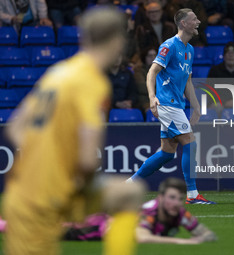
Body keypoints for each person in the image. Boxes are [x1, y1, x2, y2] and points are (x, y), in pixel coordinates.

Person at [2, 6, 144, 255]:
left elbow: (15, 128)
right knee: (130, 192)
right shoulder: (91, 83)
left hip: (31, 189)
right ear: (118, 41)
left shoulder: (59, 72)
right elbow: (88, 161)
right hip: (41, 201)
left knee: (129, 191)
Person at [128, 8, 215, 205]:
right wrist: (152, 97)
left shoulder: (190, 50)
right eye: (194, 19)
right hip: (167, 103)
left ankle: (129, 184)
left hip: (177, 105)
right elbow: (152, 72)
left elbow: (188, 82)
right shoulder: (169, 46)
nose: (199, 22)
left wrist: (197, 107)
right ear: (183, 23)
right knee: (190, 142)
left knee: (167, 153)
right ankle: (192, 195)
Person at [0, 178, 217, 244]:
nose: (175, 203)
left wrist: (204, 235)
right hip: (95, 228)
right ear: (160, 199)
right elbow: (141, 237)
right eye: (171, 198)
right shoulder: (150, 212)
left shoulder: (179, 213)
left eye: (179, 199)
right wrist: (184, 242)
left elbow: (202, 231)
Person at [208, 42, 234, 108]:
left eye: (233, 53)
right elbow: (210, 92)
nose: (230, 56)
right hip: (220, 104)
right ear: (224, 56)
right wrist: (225, 103)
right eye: (228, 53)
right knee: (217, 106)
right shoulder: (214, 71)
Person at [134, 46, 158, 113]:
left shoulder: (162, 71)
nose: (153, 58)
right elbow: (142, 88)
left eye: (155, 55)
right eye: (150, 56)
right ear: (144, 58)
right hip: (145, 100)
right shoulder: (139, 71)